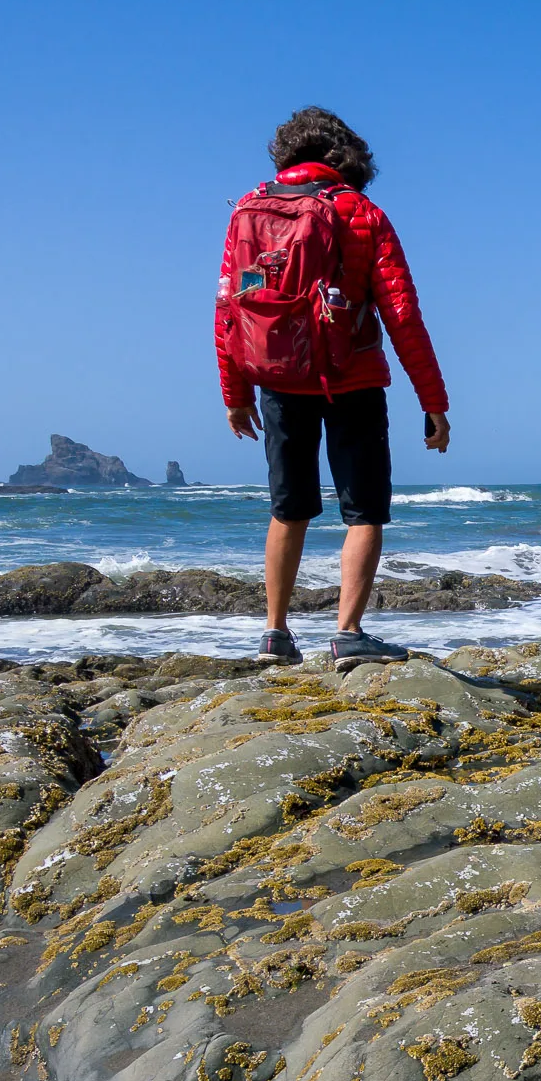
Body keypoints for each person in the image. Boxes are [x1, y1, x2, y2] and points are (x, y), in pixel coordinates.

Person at [213, 107, 452, 664]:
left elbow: (232, 306)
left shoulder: (249, 212)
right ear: (346, 153)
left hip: (278, 377)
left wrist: (236, 392)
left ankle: (274, 635)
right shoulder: (362, 212)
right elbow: (402, 315)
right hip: (355, 377)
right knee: (364, 510)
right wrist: (434, 401)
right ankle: (348, 633)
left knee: (287, 508)